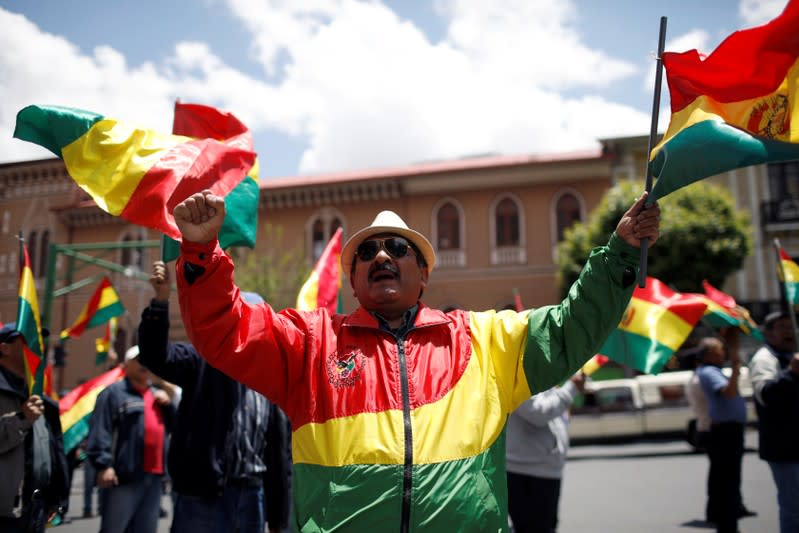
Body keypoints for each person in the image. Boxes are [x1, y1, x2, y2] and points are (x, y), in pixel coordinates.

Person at [171, 189, 660, 532]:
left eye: (397, 247)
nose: (382, 255)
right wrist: (200, 254)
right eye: (367, 251)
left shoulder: (483, 339)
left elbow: (569, 327)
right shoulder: (311, 343)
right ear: (354, 280)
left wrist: (620, 252)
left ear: (422, 275)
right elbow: (226, 330)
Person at [135, 260, 292, 533]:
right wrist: (160, 302)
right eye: (245, 320)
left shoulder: (271, 377)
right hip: (204, 497)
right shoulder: (203, 360)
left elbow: (278, 453)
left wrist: (278, 516)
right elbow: (155, 356)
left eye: (259, 322)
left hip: (253, 498)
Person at [87, 345, 175, 533]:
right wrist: (104, 465)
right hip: (124, 476)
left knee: (146, 528)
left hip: (155, 477)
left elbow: (175, 428)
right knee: (115, 528)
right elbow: (101, 429)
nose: (144, 364)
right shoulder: (113, 393)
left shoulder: (157, 395)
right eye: (138, 360)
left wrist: (169, 405)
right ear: (126, 365)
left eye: (147, 360)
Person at [0, 323, 69, 532]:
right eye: (28, 339)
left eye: (39, 339)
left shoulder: (37, 392)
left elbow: (52, 447)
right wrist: (23, 419)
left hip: (35, 509)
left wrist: (56, 495)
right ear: (5, 348)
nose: (38, 345)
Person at [505, 371, 586, 533]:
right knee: (535, 527)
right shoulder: (516, 374)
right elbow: (538, 412)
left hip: (543, 469)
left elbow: (551, 412)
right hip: (527, 471)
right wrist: (571, 389)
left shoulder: (536, 373)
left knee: (545, 526)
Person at [748, 310, 799, 533]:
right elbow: (766, 394)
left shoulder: (791, 356)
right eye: (783, 328)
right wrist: (791, 374)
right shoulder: (764, 359)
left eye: (791, 327)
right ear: (768, 334)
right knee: (794, 509)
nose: (790, 332)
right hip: (786, 448)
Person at [696, 331, 750, 533]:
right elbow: (728, 392)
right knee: (728, 478)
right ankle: (727, 524)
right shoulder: (709, 372)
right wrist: (736, 369)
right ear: (709, 353)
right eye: (720, 350)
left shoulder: (711, 370)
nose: (723, 353)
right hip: (725, 432)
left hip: (727, 430)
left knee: (724, 477)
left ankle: (724, 519)